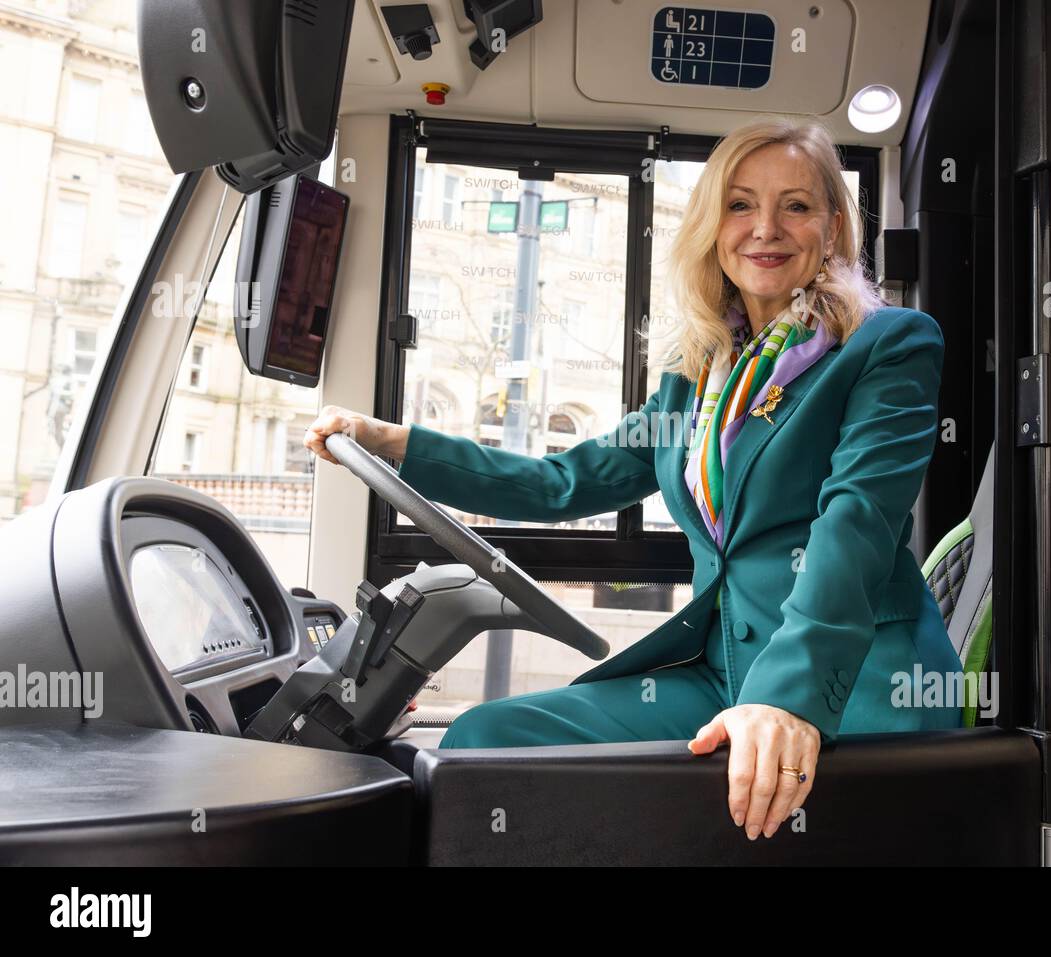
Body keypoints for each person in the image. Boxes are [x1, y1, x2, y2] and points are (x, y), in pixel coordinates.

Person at [305, 116, 961, 841]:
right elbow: (562, 483)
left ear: (833, 225)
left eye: (796, 206)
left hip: (849, 679)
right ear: (714, 226)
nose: (765, 228)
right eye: (741, 205)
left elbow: (857, 523)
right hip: (719, 676)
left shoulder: (888, 343)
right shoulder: (695, 378)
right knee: (487, 739)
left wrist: (787, 701)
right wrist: (398, 444)